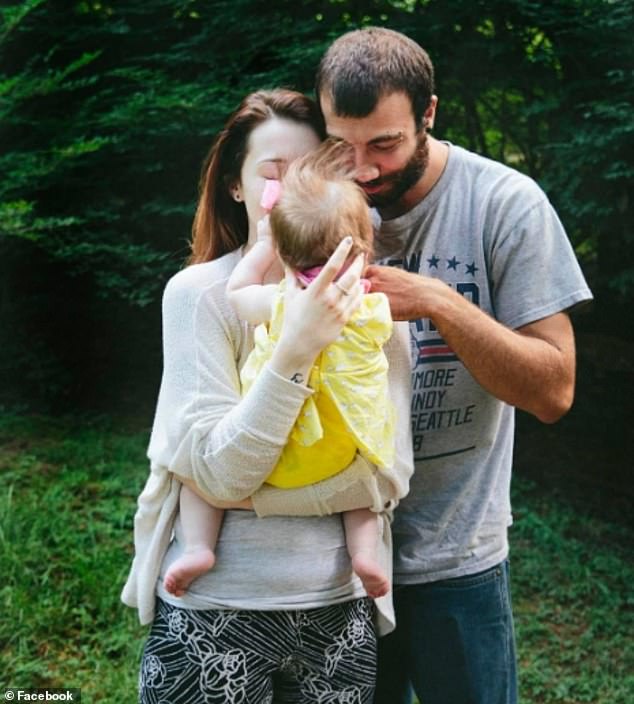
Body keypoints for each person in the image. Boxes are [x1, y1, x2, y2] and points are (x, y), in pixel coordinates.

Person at [314, 27, 593, 704]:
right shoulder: (310, 198)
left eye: (384, 144)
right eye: (341, 144)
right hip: (327, 563)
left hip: (457, 559)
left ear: (429, 113)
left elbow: (555, 390)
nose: (362, 168)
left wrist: (440, 301)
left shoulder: (505, 204)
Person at [121, 88, 414, 704]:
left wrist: (264, 494)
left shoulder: (375, 305)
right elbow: (222, 476)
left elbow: (383, 470)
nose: (289, 195)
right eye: (271, 175)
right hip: (218, 610)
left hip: (337, 612)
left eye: (309, 175)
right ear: (237, 185)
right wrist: (293, 351)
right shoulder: (199, 294)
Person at [164, 142, 396, 602]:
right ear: (362, 249)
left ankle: (197, 547)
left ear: (288, 257)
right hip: (339, 452)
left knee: (195, 481)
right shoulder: (372, 307)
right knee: (367, 485)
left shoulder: (283, 303)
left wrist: (268, 245)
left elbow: (238, 293)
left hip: (280, 453)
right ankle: (365, 553)